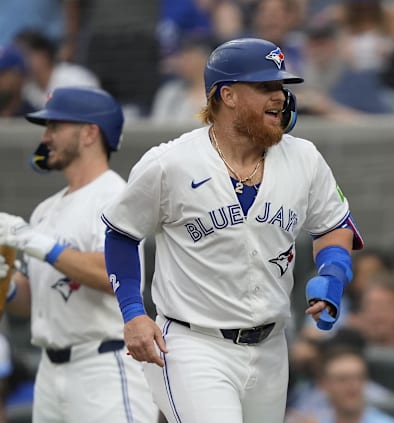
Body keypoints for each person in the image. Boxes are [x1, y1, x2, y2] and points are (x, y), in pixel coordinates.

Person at [100, 37, 364, 423]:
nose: (279, 97)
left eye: (281, 87)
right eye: (265, 87)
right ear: (228, 95)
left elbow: (333, 225)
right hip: (194, 344)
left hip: (272, 346)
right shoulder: (170, 163)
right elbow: (121, 234)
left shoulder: (304, 158)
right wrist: (133, 313)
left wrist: (334, 271)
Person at [0, 86, 157, 422]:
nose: (46, 137)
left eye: (56, 127)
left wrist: (42, 245)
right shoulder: (46, 209)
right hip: (50, 369)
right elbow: (34, 301)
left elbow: (111, 276)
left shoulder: (115, 196)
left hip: (104, 364)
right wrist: (6, 285)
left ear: (90, 133)